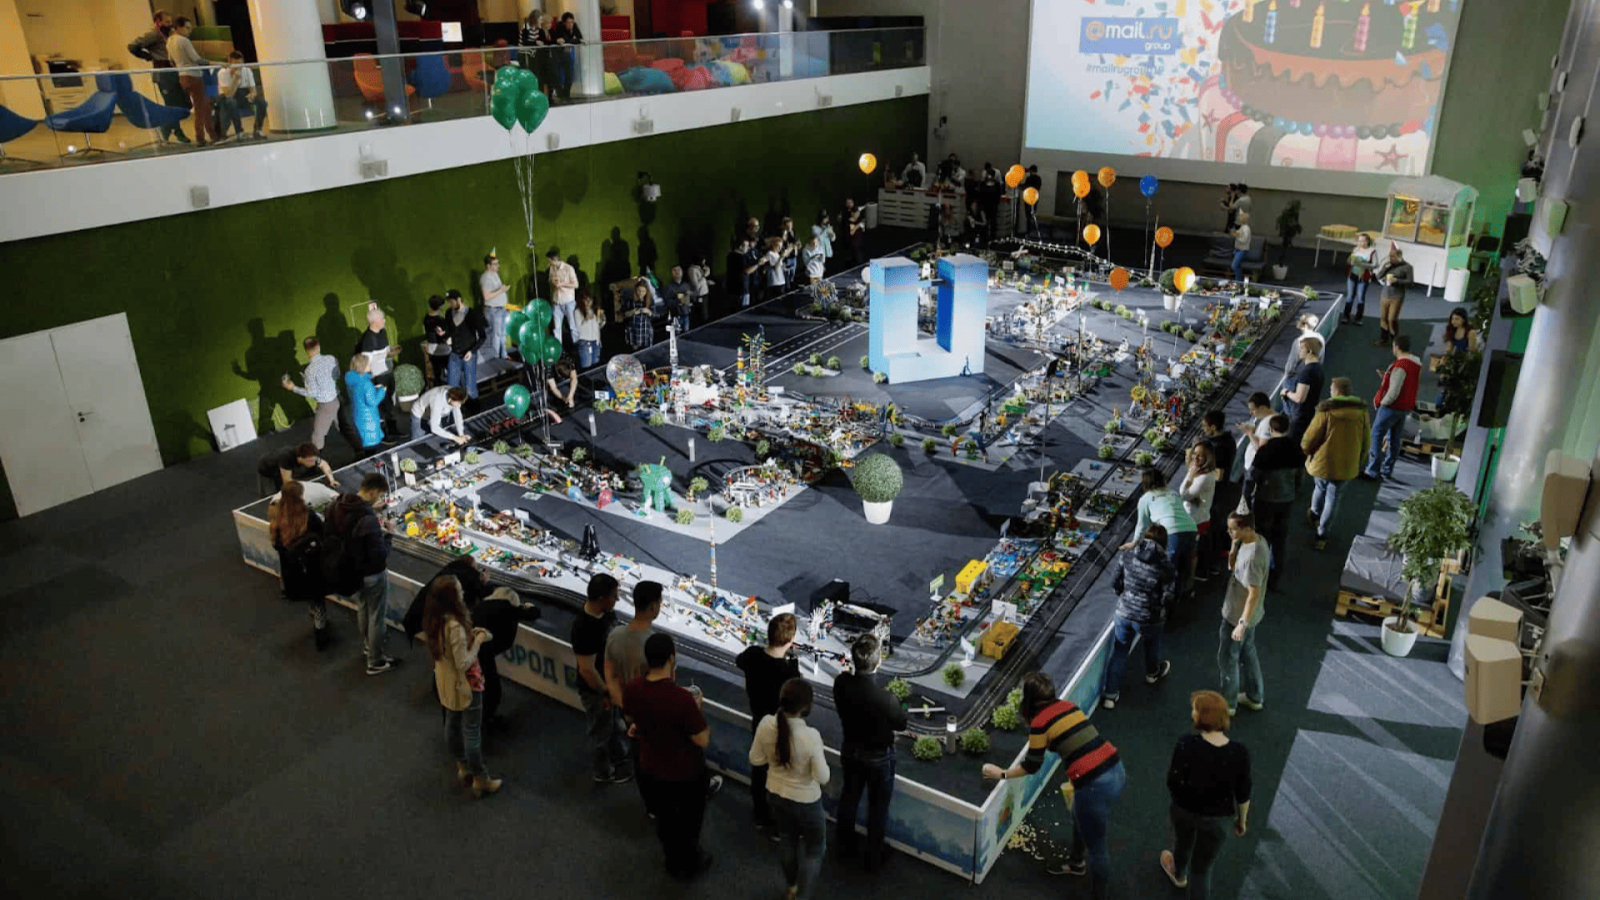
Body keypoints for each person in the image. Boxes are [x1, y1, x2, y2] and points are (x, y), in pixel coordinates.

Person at [982, 672, 1125, 898]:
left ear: (1028, 698)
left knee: (1097, 847)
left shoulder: (1040, 722)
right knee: (1079, 815)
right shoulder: (1068, 706)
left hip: (1094, 784)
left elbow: (1031, 766)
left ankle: (1098, 895)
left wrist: (1002, 774)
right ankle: (1076, 862)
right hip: (1116, 769)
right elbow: (1074, 742)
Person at [624, 633, 715, 880]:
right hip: (685, 773)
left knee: (665, 819)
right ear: (671, 658)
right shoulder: (683, 699)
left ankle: (672, 859)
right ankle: (689, 863)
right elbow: (702, 739)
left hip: (651, 767)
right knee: (689, 822)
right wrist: (696, 709)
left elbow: (633, 719)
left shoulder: (633, 688)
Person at [1160, 690, 1253, 897]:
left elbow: (1172, 782)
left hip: (1184, 811)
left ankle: (1178, 874)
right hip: (1218, 820)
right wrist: (1242, 820)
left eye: (1195, 710)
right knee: (1202, 870)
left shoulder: (1186, 744)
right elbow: (1243, 792)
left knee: (1183, 843)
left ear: (1201, 717)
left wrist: (1181, 800)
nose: (1192, 713)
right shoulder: (1239, 752)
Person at [749, 678, 830, 900]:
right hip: (807, 802)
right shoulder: (811, 736)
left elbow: (755, 759)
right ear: (806, 707)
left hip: (775, 795)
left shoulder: (766, 723)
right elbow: (823, 777)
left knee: (787, 841)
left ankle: (792, 888)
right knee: (815, 850)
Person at [423, 576, 503, 797]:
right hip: (466, 685)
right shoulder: (454, 626)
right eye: (459, 591)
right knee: (472, 732)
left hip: (445, 682)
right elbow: (463, 663)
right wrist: (478, 641)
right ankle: (481, 779)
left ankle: (462, 766)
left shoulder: (434, 619)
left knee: (452, 724)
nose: (463, 593)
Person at [832, 634, 906, 872]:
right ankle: (874, 856)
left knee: (849, 797)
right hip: (878, 758)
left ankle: (843, 846)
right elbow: (901, 723)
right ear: (878, 661)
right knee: (878, 807)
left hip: (850, 751)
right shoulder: (886, 699)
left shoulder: (841, 684)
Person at [329, 472, 401, 675]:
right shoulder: (367, 519)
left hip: (351, 570)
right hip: (372, 573)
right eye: (380, 495)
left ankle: (369, 647)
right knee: (376, 616)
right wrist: (389, 535)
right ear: (373, 492)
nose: (380, 499)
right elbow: (380, 554)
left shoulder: (341, 504)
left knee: (363, 608)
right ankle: (375, 661)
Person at [736, 612, 801, 837]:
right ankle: (776, 825)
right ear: (790, 640)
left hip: (759, 724)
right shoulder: (788, 672)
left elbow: (740, 661)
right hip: (781, 732)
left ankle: (760, 816)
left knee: (759, 772)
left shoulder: (753, 655)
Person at [1101, 525, 1176, 709]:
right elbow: (1169, 595)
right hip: (1150, 617)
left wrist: (1124, 596)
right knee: (1152, 645)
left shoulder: (1128, 553)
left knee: (1120, 651)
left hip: (1124, 612)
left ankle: (1110, 695)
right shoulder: (1165, 563)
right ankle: (1152, 673)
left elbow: (1114, 581)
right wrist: (1160, 609)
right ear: (1164, 543)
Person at [573, 573, 630, 784]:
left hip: (611, 683)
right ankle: (603, 771)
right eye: (614, 595)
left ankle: (619, 757)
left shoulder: (605, 614)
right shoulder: (584, 627)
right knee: (601, 732)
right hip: (597, 691)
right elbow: (587, 669)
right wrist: (606, 692)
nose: (617, 599)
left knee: (613, 725)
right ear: (602, 598)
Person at [1303, 377, 1371, 552]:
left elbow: (1310, 437)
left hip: (1324, 462)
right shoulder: (1362, 412)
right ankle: (1322, 534)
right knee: (1333, 498)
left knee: (1319, 487)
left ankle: (1314, 514)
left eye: (1331, 389)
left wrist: (1307, 451)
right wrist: (1360, 460)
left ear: (1337, 392)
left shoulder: (1326, 410)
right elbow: (1366, 440)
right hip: (1347, 464)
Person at [1121, 467, 1199, 597]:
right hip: (1191, 529)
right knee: (1183, 566)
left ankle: (1165, 598)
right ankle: (1180, 594)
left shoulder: (1146, 498)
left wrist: (1135, 542)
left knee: (1168, 567)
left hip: (1173, 532)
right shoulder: (1172, 493)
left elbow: (1142, 524)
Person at [269, 481, 329, 649]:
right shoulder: (308, 515)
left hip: (292, 571)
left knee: (310, 597)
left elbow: (276, 544)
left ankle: (315, 615)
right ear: (301, 496)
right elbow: (322, 535)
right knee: (318, 601)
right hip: (312, 568)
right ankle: (321, 636)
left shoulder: (277, 516)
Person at [1218, 511, 1268, 715]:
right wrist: (1233, 547)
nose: (1229, 532)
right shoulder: (1257, 541)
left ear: (1247, 528)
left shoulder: (1252, 559)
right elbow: (1232, 567)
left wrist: (1241, 624)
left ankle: (1228, 703)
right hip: (1251, 616)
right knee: (1248, 652)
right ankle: (1255, 696)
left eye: (1233, 529)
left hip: (1236, 615)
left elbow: (1253, 593)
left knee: (1228, 658)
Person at [1249, 415, 1303, 591]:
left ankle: (1257, 575)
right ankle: (1274, 578)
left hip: (1265, 499)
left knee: (1262, 538)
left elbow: (1253, 475)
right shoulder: (1295, 448)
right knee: (1279, 540)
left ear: (1271, 430)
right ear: (1288, 428)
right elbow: (1299, 476)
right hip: (1286, 499)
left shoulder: (1265, 450)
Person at [1362, 335, 1422, 481]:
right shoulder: (1415, 364)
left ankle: (1372, 470)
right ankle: (1387, 469)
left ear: (1397, 347)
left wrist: (1383, 403)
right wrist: (1387, 377)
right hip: (1404, 407)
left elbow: (1394, 391)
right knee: (1394, 438)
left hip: (1392, 407)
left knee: (1376, 434)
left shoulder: (1400, 366)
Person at [127, 9, 190, 144]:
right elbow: (132, 46)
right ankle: (173, 131)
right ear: (158, 22)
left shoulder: (170, 35)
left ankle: (168, 128)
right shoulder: (154, 35)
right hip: (163, 73)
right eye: (166, 22)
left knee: (182, 103)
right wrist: (147, 56)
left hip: (174, 71)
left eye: (170, 22)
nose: (169, 24)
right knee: (172, 104)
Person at [605, 581, 662, 714]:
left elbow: (610, 678)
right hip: (648, 714)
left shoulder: (614, 635)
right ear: (654, 606)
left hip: (624, 709)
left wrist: (625, 708)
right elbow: (664, 689)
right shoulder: (659, 644)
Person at [280, 337, 341, 450]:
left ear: (306, 351)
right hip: (336, 399)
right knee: (345, 427)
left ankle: (316, 459)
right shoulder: (331, 358)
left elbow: (311, 393)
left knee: (317, 437)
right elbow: (336, 375)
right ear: (319, 347)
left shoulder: (309, 371)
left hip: (326, 405)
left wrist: (293, 388)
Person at [167, 18, 219, 146]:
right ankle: (201, 137)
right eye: (187, 28)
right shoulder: (184, 40)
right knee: (202, 108)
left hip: (182, 76)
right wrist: (217, 63)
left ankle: (211, 134)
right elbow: (197, 59)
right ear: (179, 27)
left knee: (203, 106)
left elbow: (171, 60)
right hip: (193, 76)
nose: (189, 31)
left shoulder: (169, 41)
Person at [1199, 410, 1239, 578]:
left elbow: (1219, 474)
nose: (1203, 429)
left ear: (1213, 427)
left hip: (1215, 493)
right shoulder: (1227, 440)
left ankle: (1210, 564)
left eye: (1205, 426)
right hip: (1220, 492)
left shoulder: (1219, 448)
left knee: (1212, 527)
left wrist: (1197, 469)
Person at [353, 306, 400, 439]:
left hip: (387, 372)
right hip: (377, 377)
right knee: (382, 405)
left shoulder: (382, 332)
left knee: (390, 403)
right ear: (374, 322)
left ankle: (393, 429)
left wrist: (392, 351)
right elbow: (366, 362)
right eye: (382, 319)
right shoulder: (367, 339)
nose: (384, 321)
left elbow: (384, 351)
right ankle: (383, 434)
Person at [1180, 441, 1218, 589]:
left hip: (1196, 521)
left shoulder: (1203, 477)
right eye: (1194, 454)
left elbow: (1183, 494)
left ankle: (1189, 582)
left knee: (1191, 553)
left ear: (1208, 458)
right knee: (1190, 551)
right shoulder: (1200, 472)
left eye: (1200, 456)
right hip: (1193, 519)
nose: (1195, 458)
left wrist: (1190, 476)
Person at [1282, 336, 1326, 442]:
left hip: (1300, 419)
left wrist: (1286, 392)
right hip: (1310, 415)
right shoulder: (1319, 369)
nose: (1300, 351)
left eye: (1302, 348)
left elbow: (1299, 398)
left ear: (1309, 351)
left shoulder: (1307, 372)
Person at [445, 289, 487, 400]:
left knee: (470, 387)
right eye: (448, 302)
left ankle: (474, 407)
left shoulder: (472, 314)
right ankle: (455, 408)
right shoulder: (449, 313)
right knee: (451, 386)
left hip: (469, 354)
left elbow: (483, 337)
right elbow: (449, 331)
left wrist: (472, 351)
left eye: (451, 302)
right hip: (454, 354)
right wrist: (444, 335)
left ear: (458, 300)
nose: (449, 305)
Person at [1237, 391, 1274, 510]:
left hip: (1254, 467)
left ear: (1262, 408)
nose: (1251, 413)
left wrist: (1249, 433)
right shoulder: (1271, 419)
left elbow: (1261, 449)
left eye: (1253, 410)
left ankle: (1247, 515)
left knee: (1247, 495)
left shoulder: (1268, 424)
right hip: (1254, 466)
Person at [344, 354, 387, 453]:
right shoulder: (366, 383)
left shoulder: (350, 379)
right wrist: (382, 391)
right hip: (369, 420)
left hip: (358, 416)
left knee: (364, 444)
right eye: (368, 364)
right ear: (363, 366)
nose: (370, 365)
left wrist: (373, 390)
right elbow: (372, 402)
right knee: (372, 448)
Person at [1373, 244, 1414, 347]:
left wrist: (1397, 280)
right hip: (1385, 294)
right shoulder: (1388, 265)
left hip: (1397, 296)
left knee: (1391, 319)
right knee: (1383, 318)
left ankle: (1395, 340)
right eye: (1389, 256)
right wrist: (1384, 268)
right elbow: (1378, 276)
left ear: (1399, 256)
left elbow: (1410, 282)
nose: (1390, 258)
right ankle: (1383, 338)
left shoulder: (1407, 267)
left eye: (1392, 256)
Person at [256, 440, 334, 492]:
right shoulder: (286, 458)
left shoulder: (308, 454)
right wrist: (309, 487)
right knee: (273, 494)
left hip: (284, 467)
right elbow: (287, 481)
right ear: (301, 458)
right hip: (266, 469)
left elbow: (323, 464)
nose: (314, 463)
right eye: (310, 461)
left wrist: (331, 480)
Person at [478, 253, 510, 362]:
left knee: (502, 334)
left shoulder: (495, 274)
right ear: (488, 265)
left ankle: (503, 354)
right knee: (495, 336)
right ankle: (495, 359)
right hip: (493, 310)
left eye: (497, 263)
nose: (498, 266)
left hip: (501, 309)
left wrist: (506, 304)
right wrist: (501, 290)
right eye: (495, 264)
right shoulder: (485, 278)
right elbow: (486, 297)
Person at [547, 248, 580, 346]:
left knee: (572, 326)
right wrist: (553, 282)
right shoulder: (552, 268)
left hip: (568, 301)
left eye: (550, 261)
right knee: (557, 328)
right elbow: (551, 280)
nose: (549, 263)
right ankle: (558, 348)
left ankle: (577, 346)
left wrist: (562, 284)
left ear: (555, 260)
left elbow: (576, 284)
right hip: (556, 302)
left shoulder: (568, 268)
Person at [1343, 233, 1377, 325]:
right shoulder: (1355, 249)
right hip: (1352, 275)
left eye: (1362, 241)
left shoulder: (1372, 251)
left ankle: (1358, 318)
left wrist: (1362, 264)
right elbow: (1348, 261)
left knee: (1360, 297)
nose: (1360, 243)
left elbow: (1375, 265)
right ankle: (1346, 316)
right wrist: (1351, 262)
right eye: (1359, 241)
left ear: (1367, 241)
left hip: (1363, 277)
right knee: (1349, 296)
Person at [550, 12, 584, 101]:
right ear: (564, 23)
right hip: (557, 54)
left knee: (569, 74)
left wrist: (573, 40)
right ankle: (560, 94)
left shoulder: (574, 26)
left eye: (572, 22)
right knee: (556, 75)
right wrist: (573, 40)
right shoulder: (559, 27)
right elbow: (565, 40)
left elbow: (580, 38)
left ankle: (566, 94)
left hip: (566, 53)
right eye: (568, 22)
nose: (570, 24)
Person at [422, 295, 453, 387]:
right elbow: (446, 336)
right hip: (443, 350)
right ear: (440, 306)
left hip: (432, 350)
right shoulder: (440, 321)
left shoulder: (426, 318)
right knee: (451, 373)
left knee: (437, 375)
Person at [573, 289, 605, 368]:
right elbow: (577, 326)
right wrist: (586, 318)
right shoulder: (577, 311)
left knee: (595, 365)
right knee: (586, 365)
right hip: (584, 341)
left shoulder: (594, 310)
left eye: (590, 300)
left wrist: (602, 319)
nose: (588, 302)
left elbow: (599, 326)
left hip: (596, 341)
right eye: (585, 300)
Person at [625, 279, 655, 351]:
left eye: (643, 291)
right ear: (636, 290)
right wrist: (633, 312)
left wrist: (648, 312)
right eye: (639, 291)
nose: (641, 293)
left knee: (647, 351)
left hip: (646, 331)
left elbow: (655, 315)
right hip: (634, 331)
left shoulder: (650, 301)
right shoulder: (631, 301)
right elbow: (625, 314)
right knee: (635, 351)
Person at [662, 265, 693, 334]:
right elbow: (667, 302)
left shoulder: (686, 285)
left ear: (682, 271)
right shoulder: (668, 287)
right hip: (675, 317)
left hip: (686, 315)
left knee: (687, 335)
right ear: (671, 273)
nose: (677, 272)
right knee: (677, 336)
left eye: (679, 270)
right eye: (674, 270)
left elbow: (692, 298)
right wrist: (678, 301)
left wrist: (690, 296)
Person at [843, 198, 867, 267]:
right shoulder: (850, 221)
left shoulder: (857, 219)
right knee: (857, 262)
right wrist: (858, 226)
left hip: (859, 244)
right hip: (854, 246)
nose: (858, 214)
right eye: (856, 213)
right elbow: (851, 232)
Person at [1230, 211, 1253, 282]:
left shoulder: (1246, 228)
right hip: (1237, 250)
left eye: (1240, 217)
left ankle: (1239, 280)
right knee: (1237, 265)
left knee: (1234, 266)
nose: (1238, 218)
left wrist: (1236, 236)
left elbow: (1244, 240)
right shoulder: (1242, 227)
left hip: (1242, 251)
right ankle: (1239, 280)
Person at [1021, 165, 1043, 236]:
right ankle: (1032, 231)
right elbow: (1038, 188)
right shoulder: (1038, 178)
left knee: (1028, 215)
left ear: (1031, 170)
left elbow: (1025, 186)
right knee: (1032, 214)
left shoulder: (1029, 178)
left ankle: (1028, 231)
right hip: (1035, 198)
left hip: (1028, 198)